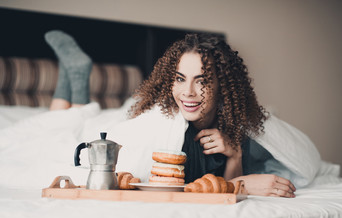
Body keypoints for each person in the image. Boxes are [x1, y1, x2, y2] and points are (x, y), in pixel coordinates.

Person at [45, 30, 296, 198]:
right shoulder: (165, 123)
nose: (187, 93)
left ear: (224, 87)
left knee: (70, 123)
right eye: (179, 79)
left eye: (202, 81)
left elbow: (219, 190)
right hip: (111, 123)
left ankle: (74, 78)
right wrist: (244, 186)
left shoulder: (232, 124)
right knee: (63, 133)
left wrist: (235, 156)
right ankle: (77, 80)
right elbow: (154, 186)